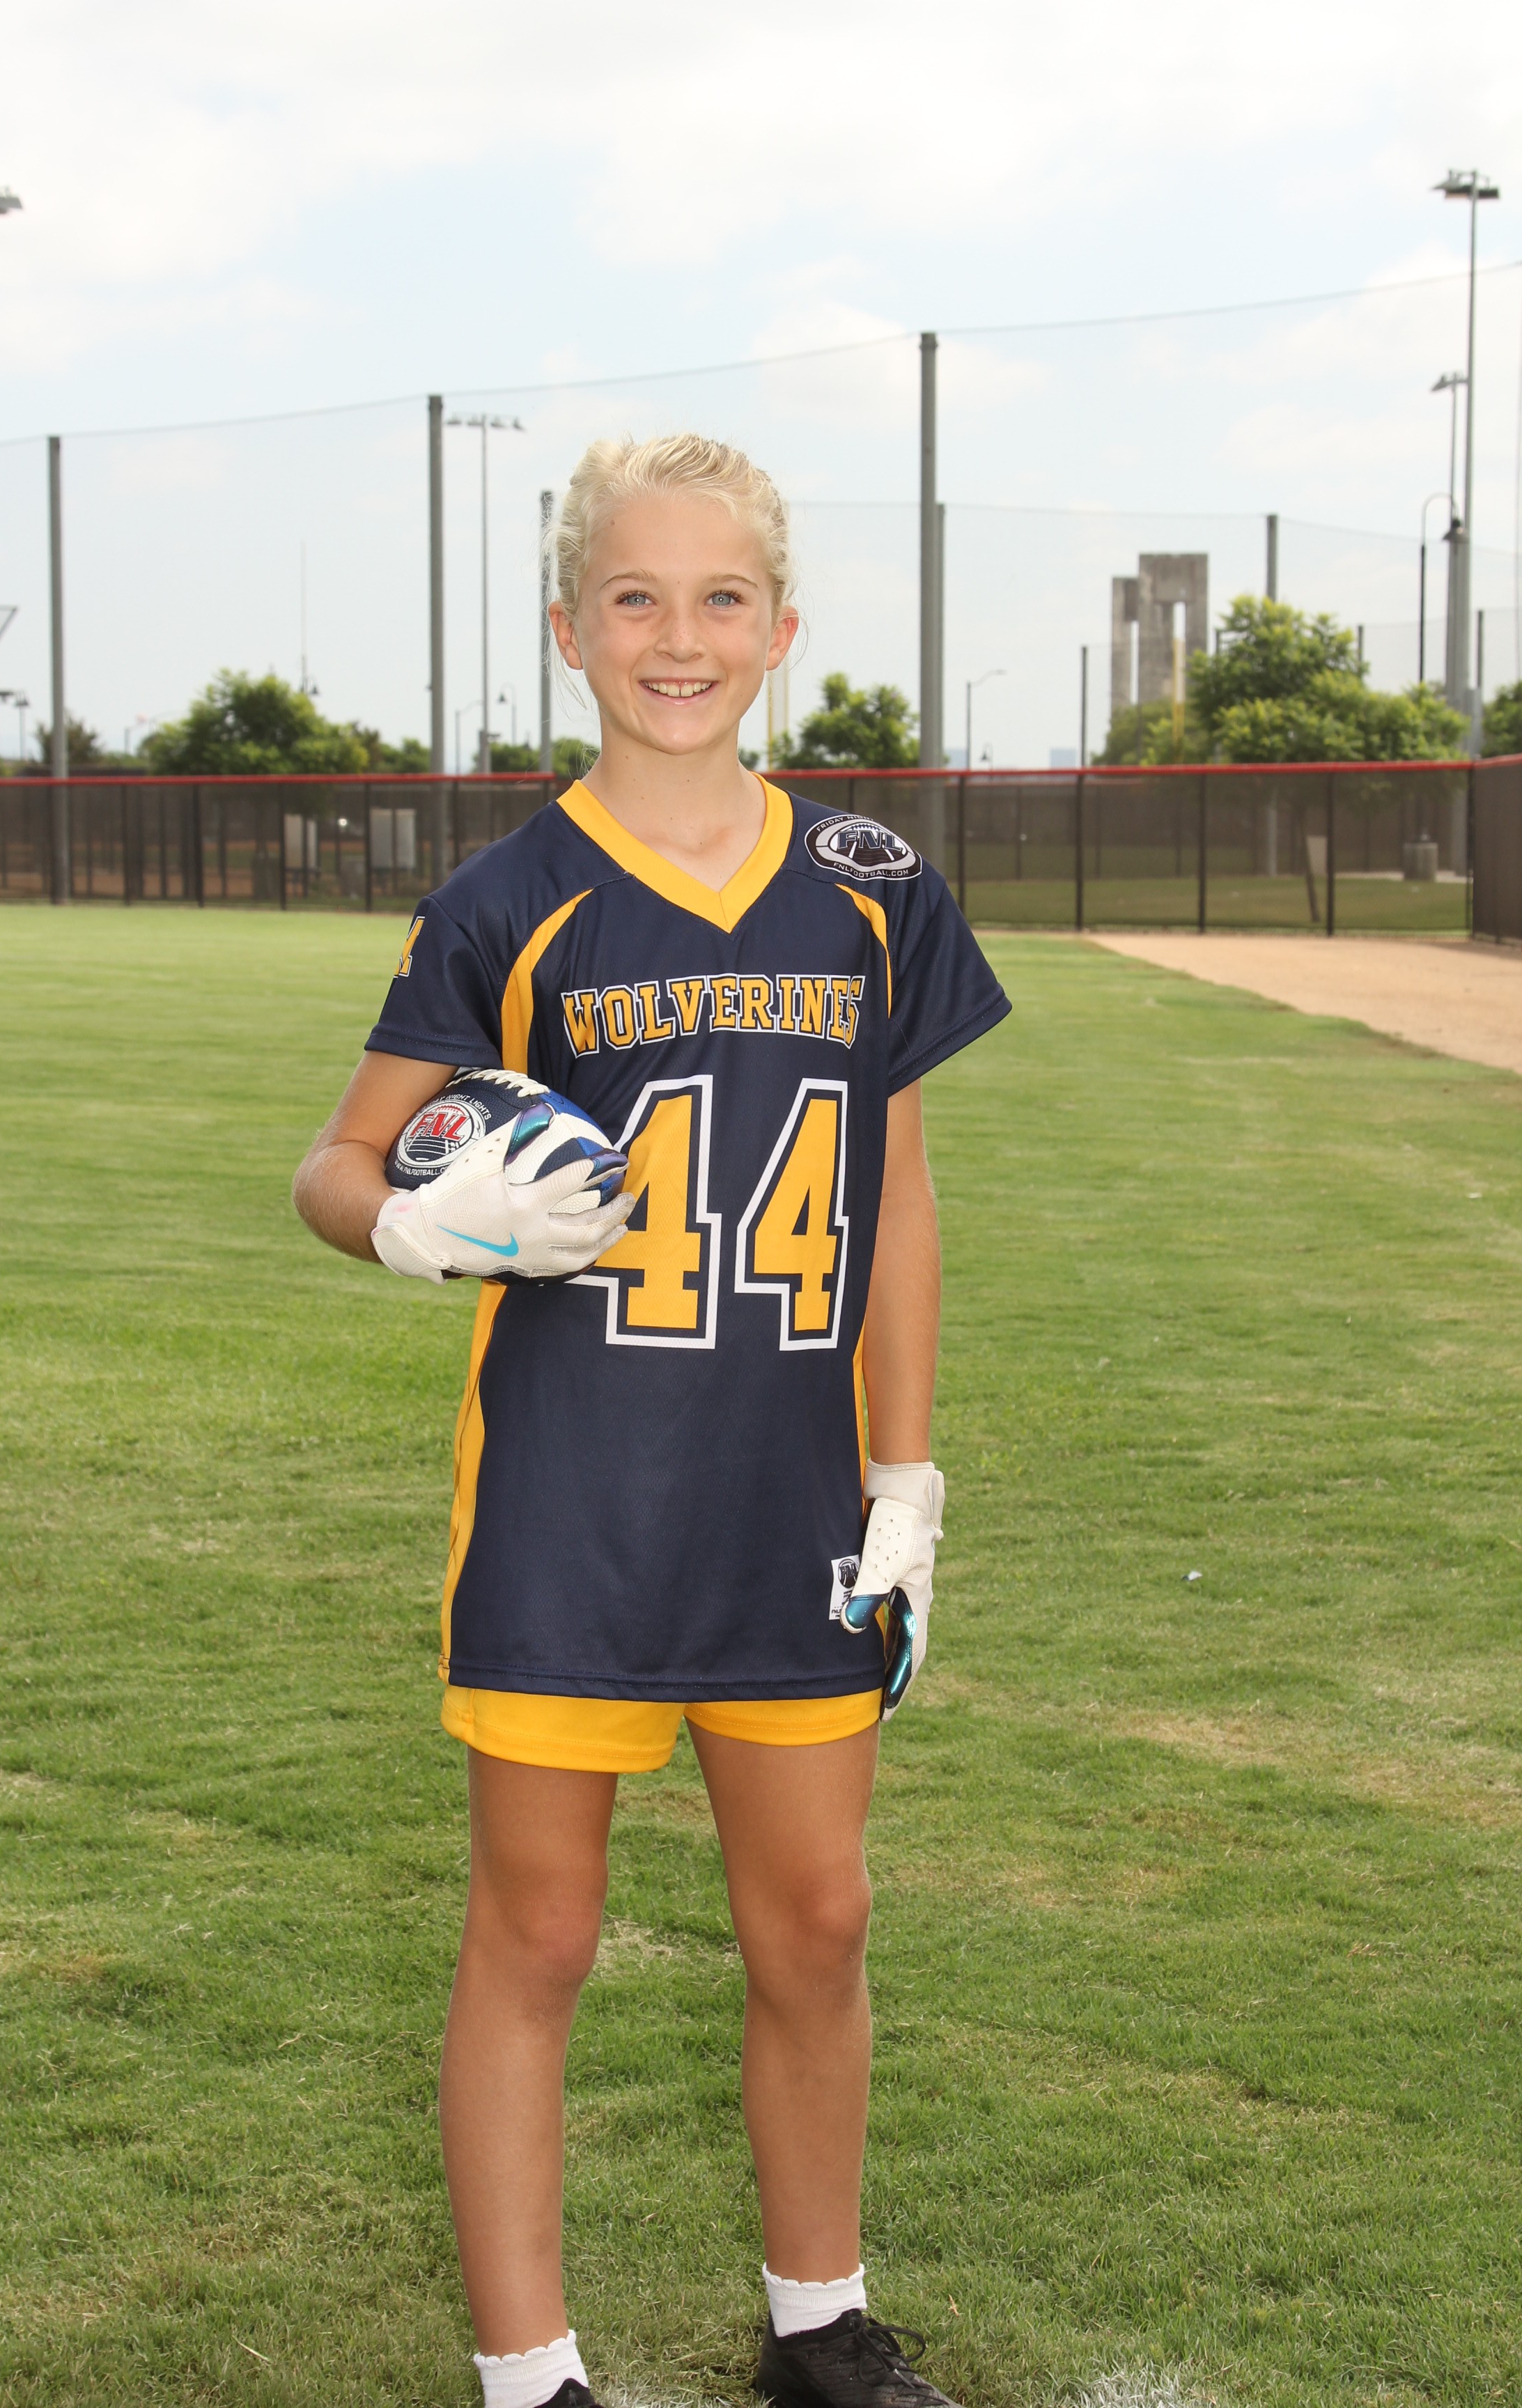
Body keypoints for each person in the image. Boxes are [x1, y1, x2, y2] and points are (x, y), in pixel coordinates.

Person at [293, 434, 1010, 2408]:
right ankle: (532, 2375)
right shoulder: (511, 897)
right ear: (567, 629)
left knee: (821, 1921)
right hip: (572, 1501)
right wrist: (411, 1227)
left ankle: (819, 2326)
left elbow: (899, 1198)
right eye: (633, 596)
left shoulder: (870, 888)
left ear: (781, 630)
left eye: (718, 599)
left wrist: (906, 1476)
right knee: (537, 1933)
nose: (675, 637)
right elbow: (336, 1163)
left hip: (793, 1502)